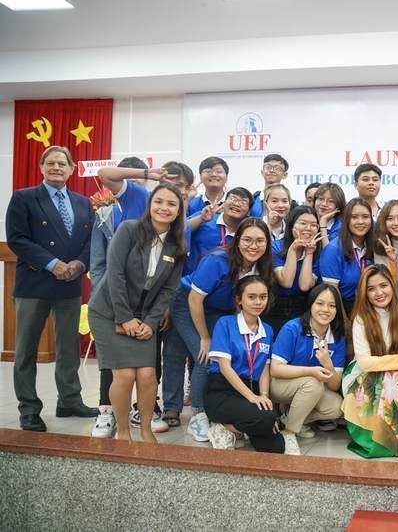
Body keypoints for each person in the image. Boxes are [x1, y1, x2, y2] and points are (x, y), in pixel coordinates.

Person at [91, 159, 194, 438]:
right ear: (150, 205)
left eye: (171, 204)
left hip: (144, 315)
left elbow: (168, 289)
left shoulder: (177, 245)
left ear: (179, 211)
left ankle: (146, 431)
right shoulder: (129, 230)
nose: (164, 208)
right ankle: (123, 432)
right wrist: (125, 318)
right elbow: (115, 275)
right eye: (158, 202)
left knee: (147, 375)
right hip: (109, 311)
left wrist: (149, 322)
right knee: (125, 375)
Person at [6, 145, 97, 431]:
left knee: (68, 347)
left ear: (71, 170)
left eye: (62, 163)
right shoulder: (24, 198)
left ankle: (69, 400)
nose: (56, 167)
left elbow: (91, 242)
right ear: (41, 168)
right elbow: (17, 239)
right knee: (26, 351)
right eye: (51, 163)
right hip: (34, 283)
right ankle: (29, 409)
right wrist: (53, 263)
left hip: (70, 284)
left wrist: (79, 264)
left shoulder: (83, 203)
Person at [164, 218, 273, 440]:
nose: (253, 246)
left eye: (260, 241)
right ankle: (198, 415)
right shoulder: (217, 261)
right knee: (205, 356)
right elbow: (195, 299)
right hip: (188, 303)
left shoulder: (260, 265)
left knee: (217, 354)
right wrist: (205, 337)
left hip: (217, 309)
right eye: (248, 240)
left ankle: (210, 406)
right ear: (237, 240)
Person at [342, 264, 398, 458]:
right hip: (363, 375)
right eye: (371, 289)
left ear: (392, 285)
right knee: (393, 379)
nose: (379, 293)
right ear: (365, 293)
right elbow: (365, 362)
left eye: (383, 285)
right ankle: (395, 443)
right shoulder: (361, 318)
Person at [204, 276, 285, 453]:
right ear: (239, 300)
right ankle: (223, 427)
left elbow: (265, 369)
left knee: (276, 447)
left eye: (263, 297)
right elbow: (225, 368)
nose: (258, 302)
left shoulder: (268, 330)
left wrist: (264, 396)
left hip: (252, 389)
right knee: (267, 418)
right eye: (251, 297)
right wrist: (253, 398)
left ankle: (239, 429)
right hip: (222, 390)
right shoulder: (225, 323)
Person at [270, 284, 346, 455]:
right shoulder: (293, 328)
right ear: (311, 304)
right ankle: (289, 433)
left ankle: (289, 419)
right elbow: (275, 370)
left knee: (337, 406)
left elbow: (334, 386)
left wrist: (328, 364)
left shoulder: (337, 337)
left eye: (332, 305)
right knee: (313, 383)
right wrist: (311, 371)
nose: (325, 310)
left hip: (310, 389)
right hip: (279, 385)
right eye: (320, 303)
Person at [270, 206, 321, 334]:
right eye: (303, 223)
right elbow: (286, 282)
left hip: (302, 307)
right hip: (275, 307)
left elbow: (304, 286)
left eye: (313, 225)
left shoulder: (318, 253)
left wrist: (309, 253)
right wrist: (293, 250)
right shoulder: (276, 247)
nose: (308, 228)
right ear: (291, 225)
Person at [320, 197, 375, 315]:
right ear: (346, 220)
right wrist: (344, 320)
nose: (360, 222)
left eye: (365, 217)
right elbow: (332, 293)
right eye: (354, 217)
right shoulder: (333, 249)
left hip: (369, 307)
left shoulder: (373, 246)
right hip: (342, 308)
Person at [187, 187, 253, 272]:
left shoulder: (247, 234)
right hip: (191, 276)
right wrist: (201, 219)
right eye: (233, 198)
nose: (237, 204)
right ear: (224, 203)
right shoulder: (205, 216)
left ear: (249, 212)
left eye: (243, 202)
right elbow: (179, 230)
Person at [374, 199, 398, 305]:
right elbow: (385, 284)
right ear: (384, 222)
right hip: (387, 305)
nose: (396, 223)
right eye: (390, 219)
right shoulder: (380, 246)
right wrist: (393, 262)